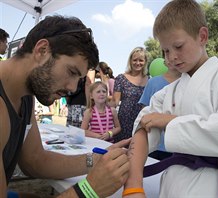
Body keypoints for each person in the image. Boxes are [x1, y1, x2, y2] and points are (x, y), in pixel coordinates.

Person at [123, 0, 218, 198]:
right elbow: (143, 127)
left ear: (202, 36)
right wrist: (133, 186)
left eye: (178, 46)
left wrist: (169, 122)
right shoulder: (168, 92)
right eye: (165, 51)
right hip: (175, 185)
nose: (171, 57)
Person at [0, 15, 130, 198]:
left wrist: (96, 159)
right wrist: (89, 190)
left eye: (79, 80)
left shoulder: (24, 95)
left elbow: (35, 160)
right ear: (42, 50)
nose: (72, 88)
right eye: (71, 72)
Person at [138, 56, 181, 160]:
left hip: (180, 147)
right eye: (168, 52)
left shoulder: (189, 82)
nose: (174, 56)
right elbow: (144, 114)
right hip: (156, 147)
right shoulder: (153, 82)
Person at [111, 46, 149, 143]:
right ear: (130, 61)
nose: (137, 63)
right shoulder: (121, 78)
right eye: (135, 60)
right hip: (123, 121)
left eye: (141, 60)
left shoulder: (150, 80)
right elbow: (115, 102)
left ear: (145, 62)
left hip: (141, 122)